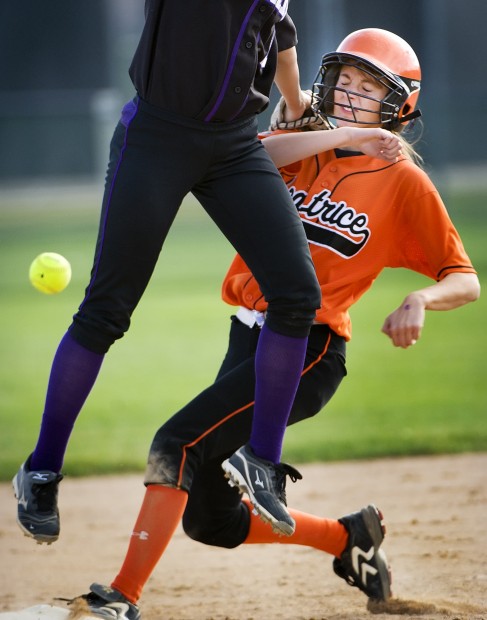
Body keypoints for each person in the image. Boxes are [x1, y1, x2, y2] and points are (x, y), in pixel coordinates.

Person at [65, 28, 479, 620]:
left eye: (370, 88)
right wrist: (333, 132)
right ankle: (348, 537)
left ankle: (121, 599)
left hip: (309, 348)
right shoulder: (299, 145)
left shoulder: (403, 182)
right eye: (345, 79)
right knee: (210, 518)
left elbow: (465, 277)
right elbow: (250, 152)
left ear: (399, 106)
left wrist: (420, 298)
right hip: (245, 337)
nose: (351, 94)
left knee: (175, 443)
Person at [12, 1, 326, 544]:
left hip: (233, 144)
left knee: (297, 295)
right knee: (106, 312)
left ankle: (262, 462)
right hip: (158, 137)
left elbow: (280, 34)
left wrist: (297, 105)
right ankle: (40, 471)